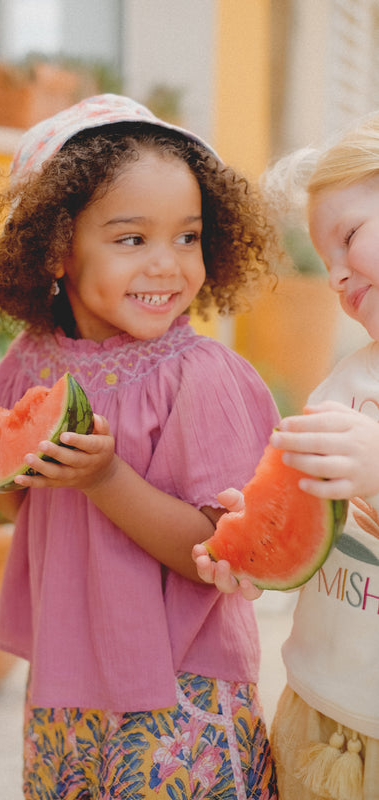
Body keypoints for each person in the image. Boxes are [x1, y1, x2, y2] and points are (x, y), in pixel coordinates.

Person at [0, 94, 281, 799]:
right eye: (130, 239)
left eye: (187, 237)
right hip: (66, 681)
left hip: (180, 686)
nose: (168, 266)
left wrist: (106, 476)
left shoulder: (200, 376)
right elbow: (28, 520)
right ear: (56, 248)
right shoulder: (25, 366)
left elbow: (218, 551)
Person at [194, 114, 379, 800]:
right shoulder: (344, 383)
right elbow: (317, 529)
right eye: (321, 256)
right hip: (313, 708)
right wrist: (258, 534)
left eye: (349, 237)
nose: (333, 274)